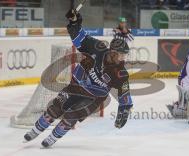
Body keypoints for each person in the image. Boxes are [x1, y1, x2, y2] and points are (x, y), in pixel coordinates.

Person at [23, 9, 133, 148]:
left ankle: (52, 138)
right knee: (56, 107)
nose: (124, 58)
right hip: (77, 86)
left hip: (94, 98)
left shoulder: (121, 73)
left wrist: (123, 111)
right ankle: (35, 130)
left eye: (125, 55)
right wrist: (75, 21)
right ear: (112, 52)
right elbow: (80, 38)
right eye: (122, 55)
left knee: (71, 116)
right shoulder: (98, 48)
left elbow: (125, 95)